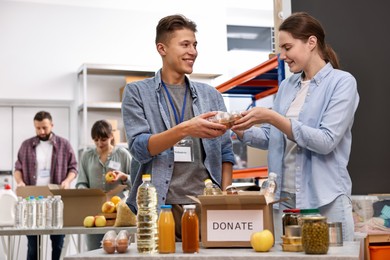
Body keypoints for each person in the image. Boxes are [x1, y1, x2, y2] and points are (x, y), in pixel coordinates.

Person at [231, 12, 359, 241]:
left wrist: (272, 117)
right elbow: (274, 137)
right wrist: (240, 129)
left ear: (311, 42)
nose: (282, 56)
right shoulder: (287, 86)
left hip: (325, 199)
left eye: (287, 47)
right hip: (285, 198)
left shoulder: (342, 82)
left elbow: (326, 141)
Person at [122, 14, 235, 240]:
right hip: (159, 207)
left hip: (206, 205)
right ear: (162, 48)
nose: (192, 51)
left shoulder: (210, 95)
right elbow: (139, 148)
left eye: (194, 45)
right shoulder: (137, 93)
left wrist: (225, 198)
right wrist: (185, 129)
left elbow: (225, 152)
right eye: (184, 44)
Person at [14, 111, 78, 260]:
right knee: (33, 246)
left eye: (44, 127)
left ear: (52, 125)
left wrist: (67, 181)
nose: (41, 131)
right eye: (38, 128)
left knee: (58, 244)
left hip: (56, 200)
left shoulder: (64, 144)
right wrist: (20, 182)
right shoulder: (26, 145)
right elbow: (18, 168)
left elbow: (73, 168)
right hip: (33, 201)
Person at [76, 120, 132, 250]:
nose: (99, 144)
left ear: (111, 136)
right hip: (94, 212)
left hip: (118, 214)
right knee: (93, 251)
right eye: (96, 140)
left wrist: (123, 177)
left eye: (103, 139)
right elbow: (81, 183)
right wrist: (87, 193)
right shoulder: (86, 156)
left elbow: (135, 182)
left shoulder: (123, 154)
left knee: (118, 250)